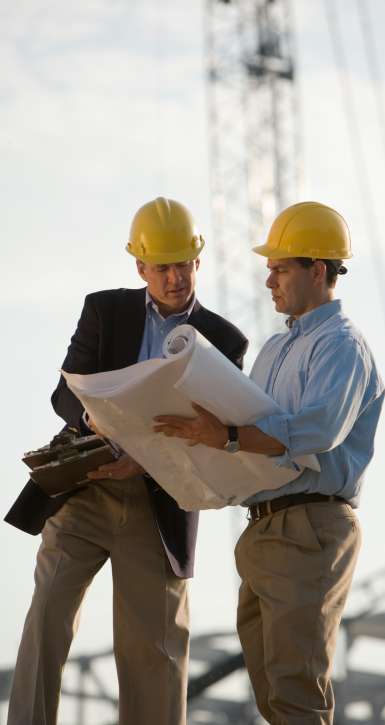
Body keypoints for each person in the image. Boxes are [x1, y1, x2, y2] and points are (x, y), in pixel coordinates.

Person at [4, 197, 248, 725]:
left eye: (184, 263)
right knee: (46, 619)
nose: (175, 277)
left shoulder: (226, 341)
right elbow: (64, 396)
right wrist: (97, 422)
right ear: (140, 267)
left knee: (156, 655)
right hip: (84, 491)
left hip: (157, 507)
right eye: (162, 267)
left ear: (198, 261)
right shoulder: (104, 310)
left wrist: (143, 458)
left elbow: (214, 435)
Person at [153, 201, 385, 725]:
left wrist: (231, 435)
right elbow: (250, 436)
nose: (268, 282)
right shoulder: (275, 348)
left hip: (311, 527)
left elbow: (318, 430)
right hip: (263, 532)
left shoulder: (342, 345)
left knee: (295, 692)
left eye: (279, 269)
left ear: (317, 270)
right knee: (274, 696)